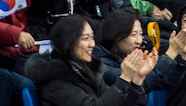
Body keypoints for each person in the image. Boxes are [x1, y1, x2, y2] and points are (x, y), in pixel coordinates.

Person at [24, 15, 153, 105]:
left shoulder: (89, 70)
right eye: (85, 38)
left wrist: (137, 78)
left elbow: (117, 102)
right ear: (68, 42)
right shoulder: (55, 82)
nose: (92, 44)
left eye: (92, 38)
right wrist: (124, 77)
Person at [93, 8, 186, 91]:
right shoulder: (99, 63)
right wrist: (171, 53)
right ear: (115, 35)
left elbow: (165, 82)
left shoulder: (128, 56)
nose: (139, 40)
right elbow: (141, 83)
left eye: (140, 34)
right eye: (133, 34)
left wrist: (183, 55)